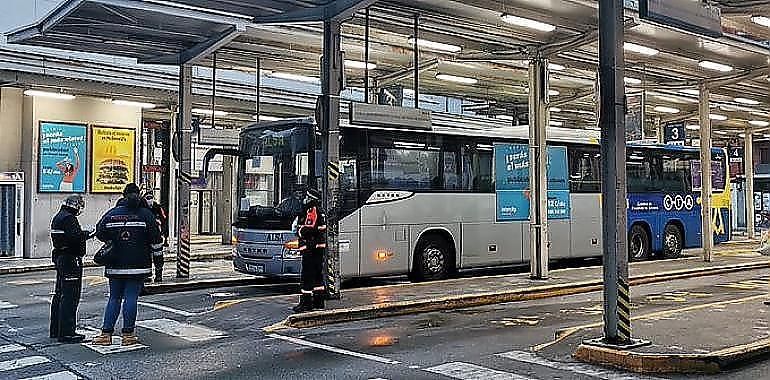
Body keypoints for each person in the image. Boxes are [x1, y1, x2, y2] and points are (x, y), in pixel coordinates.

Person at [92, 183, 163, 346]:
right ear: (139, 196)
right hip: (139, 265)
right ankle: (128, 335)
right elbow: (157, 242)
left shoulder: (112, 214)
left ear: (123, 195)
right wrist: (159, 265)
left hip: (115, 264)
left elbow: (100, 233)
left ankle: (106, 334)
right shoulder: (146, 215)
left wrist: (115, 239)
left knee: (114, 298)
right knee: (131, 298)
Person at [50, 195, 92, 343]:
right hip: (70, 259)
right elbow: (74, 237)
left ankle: (56, 329)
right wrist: (87, 234)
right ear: (76, 205)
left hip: (61, 257)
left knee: (60, 294)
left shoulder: (58, 216)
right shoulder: (69, 219)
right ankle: (67, 332)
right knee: (70, 297)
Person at [293, 188, 327, 313]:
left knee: (307, 276)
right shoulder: (320, 209)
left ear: (311, 198)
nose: (304, 199)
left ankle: (306, 303)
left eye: (307, 197)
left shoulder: (312, 210)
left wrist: (299, 230)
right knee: (318, 276)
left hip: (310, 248)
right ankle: (319, 301)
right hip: (318, 248)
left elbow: (309, 227)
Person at [143, 192, 168, 283]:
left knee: (158, 257)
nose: (149, 200)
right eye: (147, 198)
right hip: (146, 237)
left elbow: (164, 219)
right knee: (146, 257)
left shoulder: (157, 207)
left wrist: (165, 235)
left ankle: (158, 275)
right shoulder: (142, 208)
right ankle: (147, 276)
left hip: (157, 236)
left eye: (151, 197)